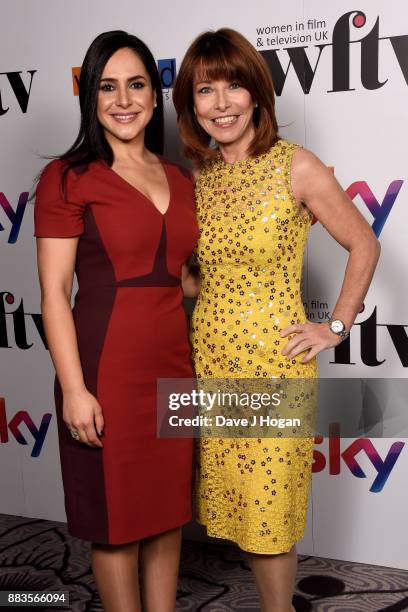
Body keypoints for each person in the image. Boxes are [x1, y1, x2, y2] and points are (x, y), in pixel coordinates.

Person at [173, 28, 380, 612]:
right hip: (213, 361)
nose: (220, 103)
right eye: (205, 90)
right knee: (236, 503)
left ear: (257, 95)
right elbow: (201, 277)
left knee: (270, 510)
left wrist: (334, 327)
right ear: (191, 104)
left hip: (275, 363)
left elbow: (364, 245)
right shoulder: (201, 179)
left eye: (233, 86)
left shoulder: (296, 166)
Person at [34, 31, 199, 612]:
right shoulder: (67, 176)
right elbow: (54, 293)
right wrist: (76, 390)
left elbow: (180, 278)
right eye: (108, 86)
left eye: (136, 85)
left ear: (156, 97)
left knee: (166, 515)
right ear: (91, 97)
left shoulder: (181, 178)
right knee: (116, 522)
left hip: (174, 370)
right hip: (105, 369)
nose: (123, 99)